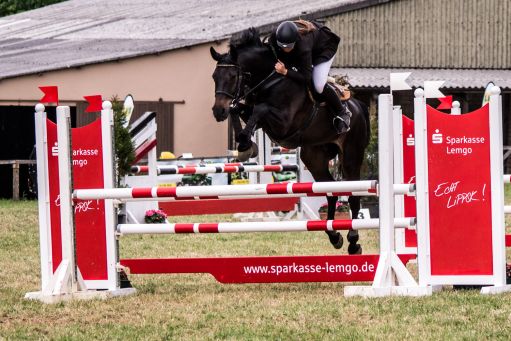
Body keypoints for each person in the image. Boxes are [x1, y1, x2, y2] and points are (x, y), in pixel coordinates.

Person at [268, 20, 350, 133]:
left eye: (288, 47)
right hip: (308, 47)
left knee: (318, 85)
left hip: (323, 48)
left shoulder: (303, 47)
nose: (285, 50)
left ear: (295, 41)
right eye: (282, 47)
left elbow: (306, 77)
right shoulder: (274, 36)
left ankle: (342, 112)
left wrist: (286, 72)